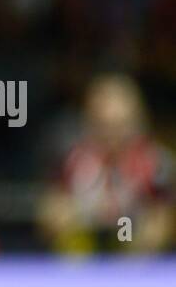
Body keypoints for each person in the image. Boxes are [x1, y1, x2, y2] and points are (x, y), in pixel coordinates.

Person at [38, 74, 173, 254]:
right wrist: (67, 215)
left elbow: (163, 220)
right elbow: (50, 213)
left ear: (137, 122)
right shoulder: (71, 160)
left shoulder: (157, 163)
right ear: (89, 122)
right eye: (104, 126)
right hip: (84, 253)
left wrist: (138, 237)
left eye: (119, 126)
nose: (112, 137)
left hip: (136, 255)